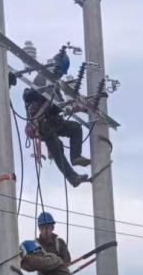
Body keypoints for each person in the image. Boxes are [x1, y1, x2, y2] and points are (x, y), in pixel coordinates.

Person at [20, 48, 90, 188]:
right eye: (61, 72)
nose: (61, 75)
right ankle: (73, 178)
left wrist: (77, 108)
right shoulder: (44, 77)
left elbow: (59, 104)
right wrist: (71, 107)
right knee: (56, 146)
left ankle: (76, 157)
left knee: (75, 128)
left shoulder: (54, 82)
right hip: (41, 123)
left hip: (51, 120)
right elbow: (55, 102)